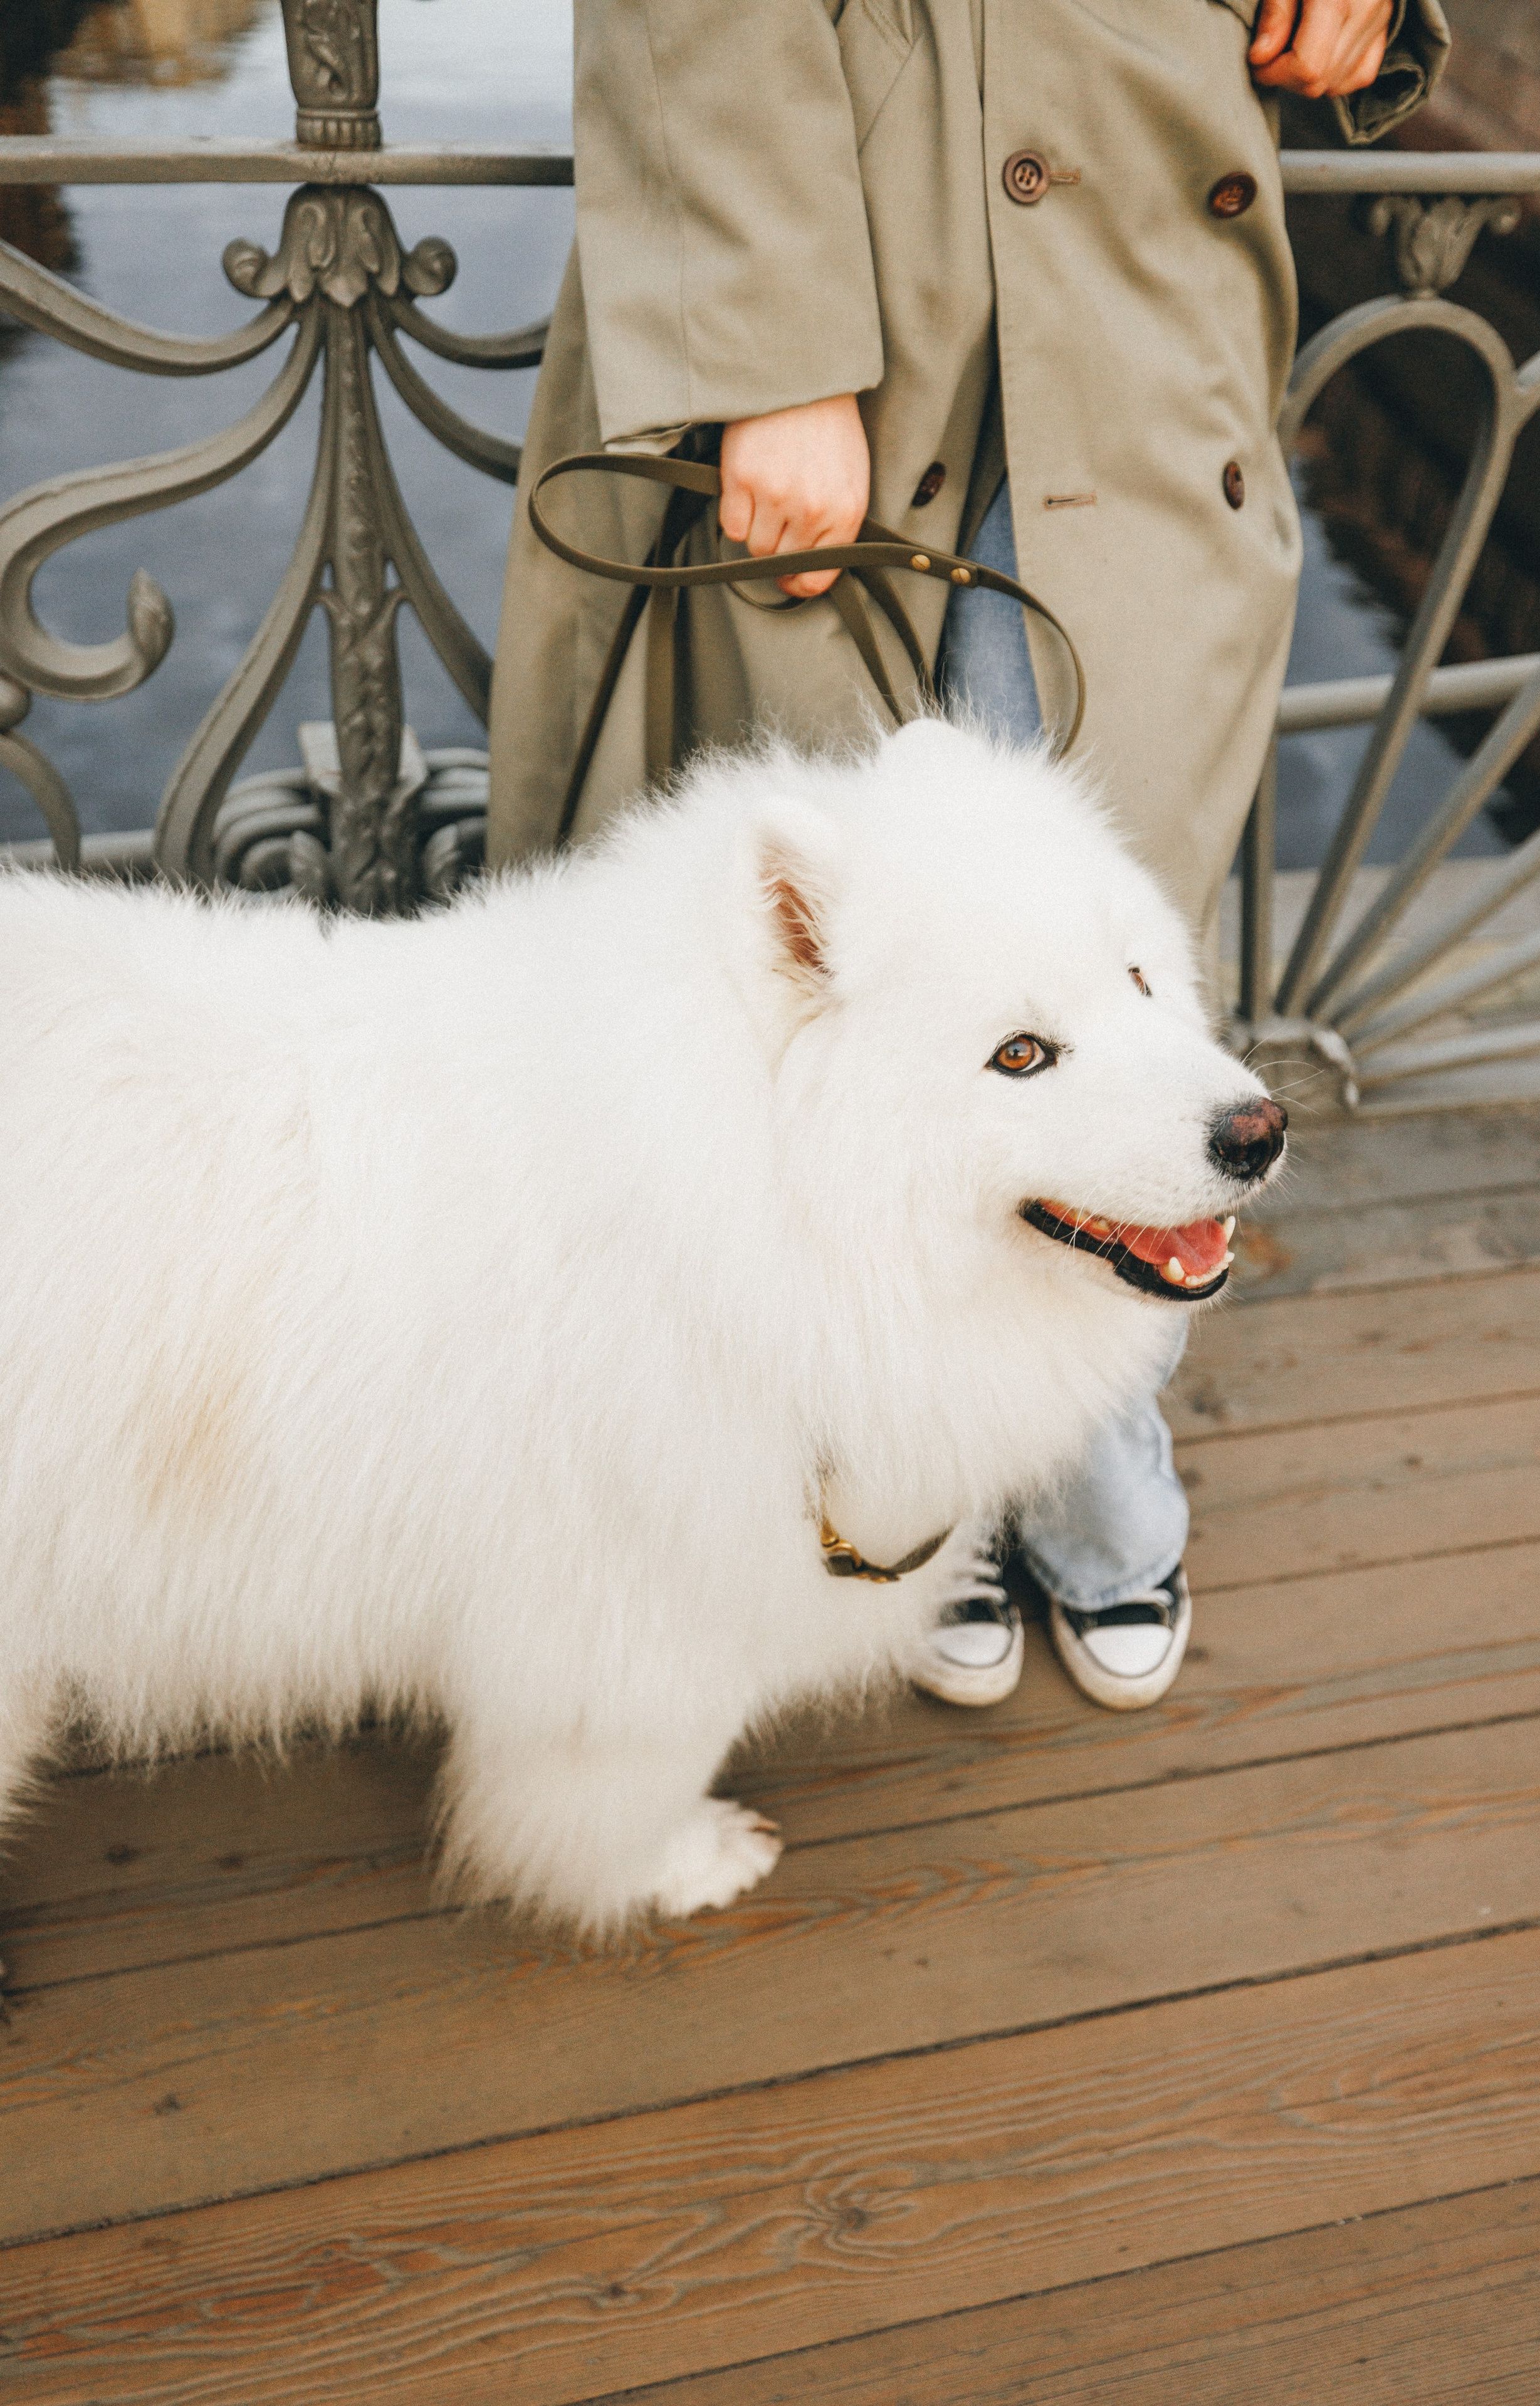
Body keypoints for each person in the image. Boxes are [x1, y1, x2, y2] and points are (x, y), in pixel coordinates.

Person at [486, 0, 1449, 1711]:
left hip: (1149, 249)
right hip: (854, 231)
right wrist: (763, 339)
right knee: (865, 1010)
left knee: (1096, 972)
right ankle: (910, 1481)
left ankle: (1078, 1455)